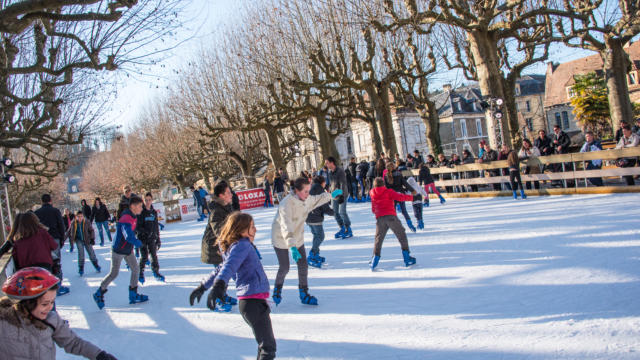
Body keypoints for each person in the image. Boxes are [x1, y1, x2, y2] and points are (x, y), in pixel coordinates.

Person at [189, 213, 276, 360]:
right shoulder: (242, 245)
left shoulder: (235, 247)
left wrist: (203, 286)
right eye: (252, 227)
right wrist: (219, 285)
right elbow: (228, 267)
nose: (255, 230)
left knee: (264, 346)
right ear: (241, 230)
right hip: (252, 302)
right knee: (268, 348)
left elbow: (221, 269)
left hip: (251, 302)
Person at [0, 267, 118, 360]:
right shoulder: (4, 323)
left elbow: (73, 342)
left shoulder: (51, 320)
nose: (50, 307)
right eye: (45, 304)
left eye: (52, 302)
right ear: (28, 303)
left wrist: (99, 355)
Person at [271, 177, 342, 306]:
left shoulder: (306, 198)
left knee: (303, 265)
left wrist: (331, 195)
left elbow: (317, 199)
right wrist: (291, 247)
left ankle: (304, 293)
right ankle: (277, 289)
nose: (308, 194)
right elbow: (285, 226)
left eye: (309, 191)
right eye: (305, 191)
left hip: (297, 236)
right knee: (285, 267)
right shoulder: (286, 204)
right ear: (297, 191)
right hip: (281, 237)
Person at [93, 196, 147, 309]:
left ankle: (133, 295)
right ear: (133, 206)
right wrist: (139, 243)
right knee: (114, 273)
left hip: (128, 250)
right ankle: (99, 293)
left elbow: (133, 230)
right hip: (118, 250)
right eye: (140, 206)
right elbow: (128, 236)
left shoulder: (133, 216)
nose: (142, 208)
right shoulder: (126, 218)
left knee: (135, 270)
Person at [201, 181, 238, 308]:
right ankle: (217, 298)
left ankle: (223, 294)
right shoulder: (216, 211)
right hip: (214, 247)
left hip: (223, 246)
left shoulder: (227, 206)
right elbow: (220, 232)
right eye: (228, 192)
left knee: (226, 273)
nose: (231, 194)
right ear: (221, 195)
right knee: (222, 274)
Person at [369, 177, 417, 270]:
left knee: (378, 239)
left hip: (380, 219)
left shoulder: (372, 193)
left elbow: (373, 208)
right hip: (391, 217)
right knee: (401, 235)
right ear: (383, 184)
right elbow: (400, 197)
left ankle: (375, 259)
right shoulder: (388, 192)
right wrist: (412, 197)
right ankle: (407, 258)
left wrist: (377, 212)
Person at [34, 194, 69, 296]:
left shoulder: (37, 213)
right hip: (54, 238)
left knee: (46, 262)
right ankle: (57, 286)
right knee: (56, 262)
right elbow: (61, 226)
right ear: (50, 200)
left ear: (42, 201)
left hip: (42, 240)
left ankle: (48, 284)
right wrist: (62, 239)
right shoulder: (55, 211)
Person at [305, 176, 335, 268]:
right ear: (321, 182)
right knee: (320, 236)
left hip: (308, 217)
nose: (325, 184)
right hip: (315, 218)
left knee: (316, 236)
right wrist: (335, 213)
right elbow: (325, 207)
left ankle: (315, 254)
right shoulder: (319, 190)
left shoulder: (310, 189)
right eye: (324, 182)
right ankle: (312, 255)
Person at [136, 192, 164, 283]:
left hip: (152, 238)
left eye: (149, 200)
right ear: (143, 201)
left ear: (152, 200)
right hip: (142, 238)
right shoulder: (140, 212)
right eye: (146, 200)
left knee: (154, 256)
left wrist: (158, 239)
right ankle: (140, 273)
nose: (148, 202)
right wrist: (144, 232)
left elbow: (156, 226)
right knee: (144, 257)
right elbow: (137, 226)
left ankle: (156, 272)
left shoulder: (153, 212)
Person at [384, 162, 417, 232]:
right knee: (404, 211)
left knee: (393, 212)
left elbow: (386, 187)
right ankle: (410, 225)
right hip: (400, 194)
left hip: (392, 196)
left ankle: (396, 227)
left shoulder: (386, 176)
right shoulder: (398, 174)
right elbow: (405, 183)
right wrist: (412, 190)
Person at [66, 211, 100, 276]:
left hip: (87, 239)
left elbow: (91, 230)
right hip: (78, 240)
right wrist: (63, 240)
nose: (80, 218)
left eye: (81, 216)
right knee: (81, 254)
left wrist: (92, 238)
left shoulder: (86, 222)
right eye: (78, 217)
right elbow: (68, 232)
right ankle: (81, 268)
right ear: (75, 217)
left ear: (83, 217)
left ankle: (96, 265)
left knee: (91, 253)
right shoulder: (73, 223)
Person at [325, 156, 352, 238]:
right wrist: (328, 190)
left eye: (327, 163)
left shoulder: (340, 171)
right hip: (334, 195)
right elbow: (330, 184)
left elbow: (342, 184)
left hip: (342, 194)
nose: (326, 165)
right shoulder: (329, 172)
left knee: (342, 212)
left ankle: (348, 229)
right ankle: (342, 228)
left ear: (332, 163)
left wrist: (341, 195)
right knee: (335, 213)